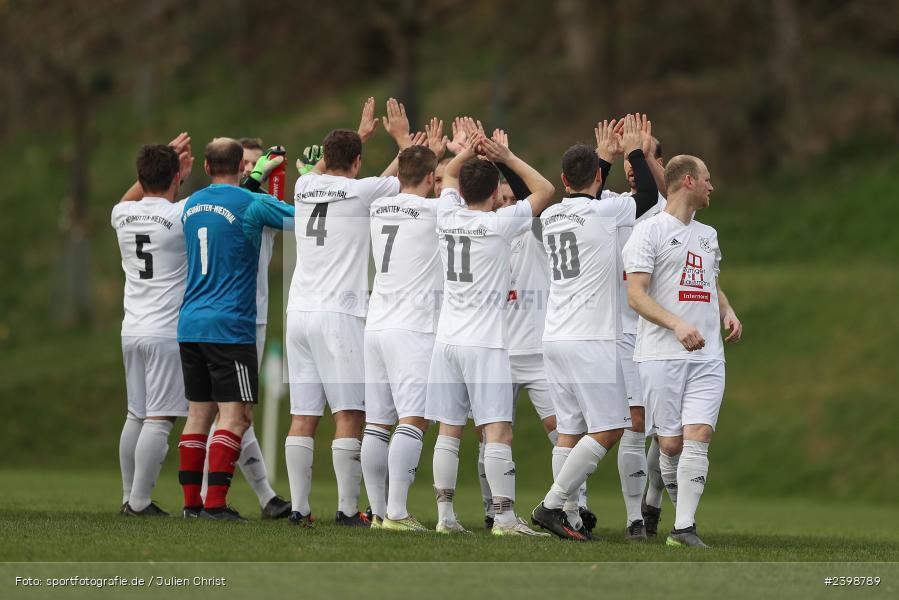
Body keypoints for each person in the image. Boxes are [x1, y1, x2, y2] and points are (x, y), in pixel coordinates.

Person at [284, 98, 414, 527]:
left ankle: (299, 509)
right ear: (357, 162)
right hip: (338, 315)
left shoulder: (304, 186)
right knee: (350, 412)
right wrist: (402, 142)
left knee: (303, 414)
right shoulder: (362, 190)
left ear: (324, 157)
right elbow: (402, 176)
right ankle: (345, 509)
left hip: (298, 312)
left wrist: (357, 135)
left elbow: (332, 170)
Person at [531, 115, 658, 541]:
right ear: (598, 180)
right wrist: (634, 149)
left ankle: (567, 515)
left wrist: (602, 159)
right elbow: (647, 196)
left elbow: (588, 195)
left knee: (569, 432)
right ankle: (551, 505)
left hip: (554, 337)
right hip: (591, 338)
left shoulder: (551, 215)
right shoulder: (606, 212)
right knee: (609, 428)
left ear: (563, 179)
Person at [426, 129, 555, 536]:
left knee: (449, 430)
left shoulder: (447, 213)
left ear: (460, 190)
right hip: (485, 343)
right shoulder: (501, 223)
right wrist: (506, 156)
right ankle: (504, 518)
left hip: (447, 340)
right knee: (498, 430)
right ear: (496, 194)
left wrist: (465, 151)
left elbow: (448, 173)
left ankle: (446, 517)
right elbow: (545, 190)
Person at [622, 154, 743, 548]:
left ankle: (684, 528)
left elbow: (710, 283)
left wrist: (726, 310)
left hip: (707, 357)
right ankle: (666, 512)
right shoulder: (648, 232)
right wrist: (676, 324)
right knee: (670, 444)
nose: (712, 186)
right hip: (660, 355)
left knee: (699, 435)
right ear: (689, 181)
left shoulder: (708, 235)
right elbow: (636, 295)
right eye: (707, 178)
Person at [176, 137, 295, 521]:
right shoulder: (251, 203)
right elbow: (300, 219)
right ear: (242, 167)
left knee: (197, 416)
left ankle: (192, 505)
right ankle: (215, 504)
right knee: (235, 417)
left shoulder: (190, 205)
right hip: (231, 326)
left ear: (206, 167)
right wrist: (315, 179)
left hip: (190, 323)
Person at [361, 136, 445, 531]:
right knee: (414, 419)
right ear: (430, 178)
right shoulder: (434, 210)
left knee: (377, 423)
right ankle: (396, 512)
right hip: (412, 328)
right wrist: (457, 152)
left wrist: (407, 154)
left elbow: (384, 182)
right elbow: (456, 189)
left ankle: (378, 513)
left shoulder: (378, 205)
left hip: (375, 325)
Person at [596, 116, 668, 538]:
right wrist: (608, 155)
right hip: (625, 332)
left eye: (639, 153)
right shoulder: (618, 205)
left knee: (670, 432)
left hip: (663, 331)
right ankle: (635, 519)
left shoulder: (670, 210)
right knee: (634, 421)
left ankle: (653, 500)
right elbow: (587, 198)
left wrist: (639, 150)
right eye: (627, 156)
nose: (632, 162)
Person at [113, 139, 192, 516]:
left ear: (141, 177)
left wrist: (163, 170)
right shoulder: (179, 216)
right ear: (176, 177)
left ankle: (128, 496)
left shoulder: (121, 214)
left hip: (131, 329)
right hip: (164, 330)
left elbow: (131, 197)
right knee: (160, 417)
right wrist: (177, 176)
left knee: (136, 414)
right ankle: (140, 502)